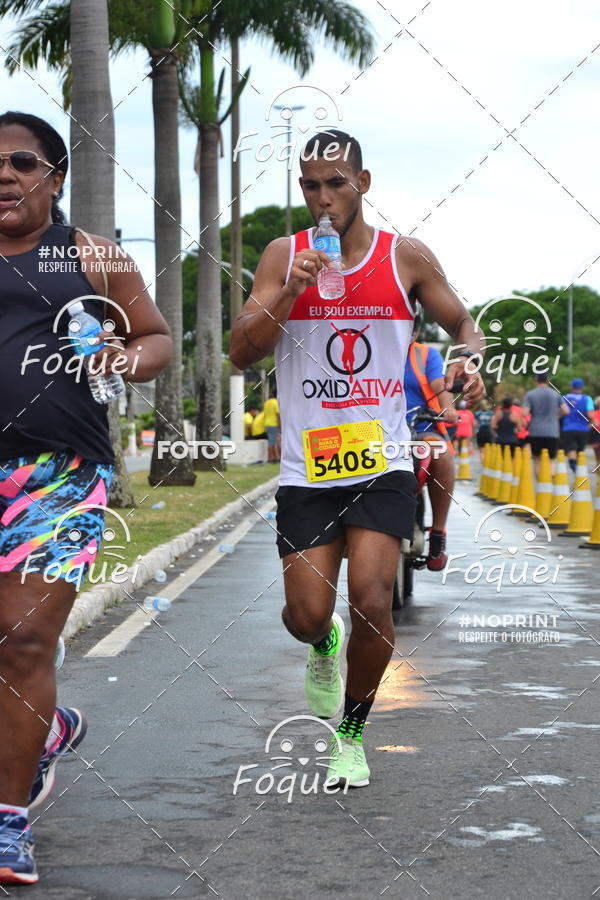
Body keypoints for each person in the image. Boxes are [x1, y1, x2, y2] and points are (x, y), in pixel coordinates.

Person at [230, 129, 485, 788]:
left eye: (336, 184)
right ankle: (322, 644)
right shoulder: (282, 256)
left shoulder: (405, 258)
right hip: (307, 471)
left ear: (362, 185)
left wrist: (470, 357)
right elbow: (241, 350)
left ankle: (349, 732)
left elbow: (463, 321)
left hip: (382, 461)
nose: (324, 198)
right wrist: (290, 290)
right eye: (311, 186)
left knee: (373, 599)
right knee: (308, 614)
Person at [0, 112, 172, 886]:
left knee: (24, 642)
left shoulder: (94, 256)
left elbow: (158, 338)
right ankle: (47, 728)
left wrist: (123, 356)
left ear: (55, 178)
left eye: (22, 161)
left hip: (58, 475)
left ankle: (6, 823)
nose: (4, 174)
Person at [404, 320, 458, 570]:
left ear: (415, 331)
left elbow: (440, 385)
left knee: (443, 454)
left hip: (420, 429)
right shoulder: (366, 349)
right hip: (372, 431)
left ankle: (438, 535)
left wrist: (448, 408)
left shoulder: (426, 354)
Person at [522, 373, 568, 476]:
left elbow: (524, 413)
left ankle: (540, 483)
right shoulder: (556, 394)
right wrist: (557, 415)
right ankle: (550, 479)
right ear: (548, 381)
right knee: (551, 459)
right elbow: (566, 410)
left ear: (536, 380)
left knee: (537, 458)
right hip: (552, 431)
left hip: (536, 431)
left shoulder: (530, 394)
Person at [561, 378, 594, 472]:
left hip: (568, 428)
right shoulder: (588, 399)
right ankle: (580, 472)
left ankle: (575, 469)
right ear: (582, 387)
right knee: (580, 452)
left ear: (572, 387)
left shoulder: (565, 398)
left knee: (571, 449)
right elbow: (590, 415)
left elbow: (561, 412)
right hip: (583, 429)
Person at [263, 388, 281, 462]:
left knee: (271, 441)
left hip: (267, 424)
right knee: (274, 442)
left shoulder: (267, 402)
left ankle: (271, 458)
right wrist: (280, 426)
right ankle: (275, 458)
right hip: (274, 424)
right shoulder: (276, 403)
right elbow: (278, 415)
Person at [591, 397, 600, 466]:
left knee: (597, 452)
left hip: (596, 434)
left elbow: (595, 424)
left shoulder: (594, 413)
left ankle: (598, 464)